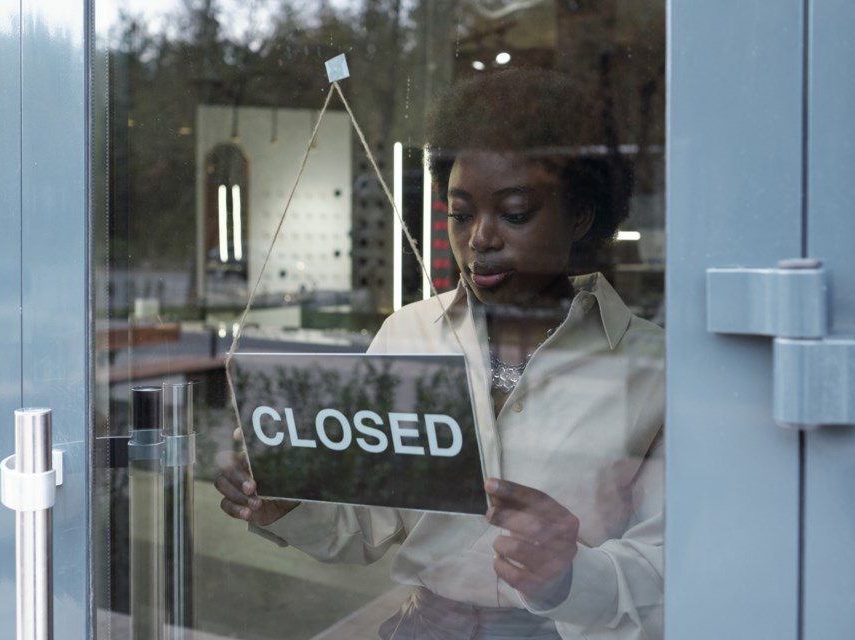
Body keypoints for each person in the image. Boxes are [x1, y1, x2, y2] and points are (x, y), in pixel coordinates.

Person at [216, 69, 664, 640]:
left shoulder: (652, 365)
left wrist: (573, 575)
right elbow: (366, 522)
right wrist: (285, 503)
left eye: (515, 212)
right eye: (459, 212)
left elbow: (671, 558)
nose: (479, 237)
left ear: (580, 215)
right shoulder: (408, 336)